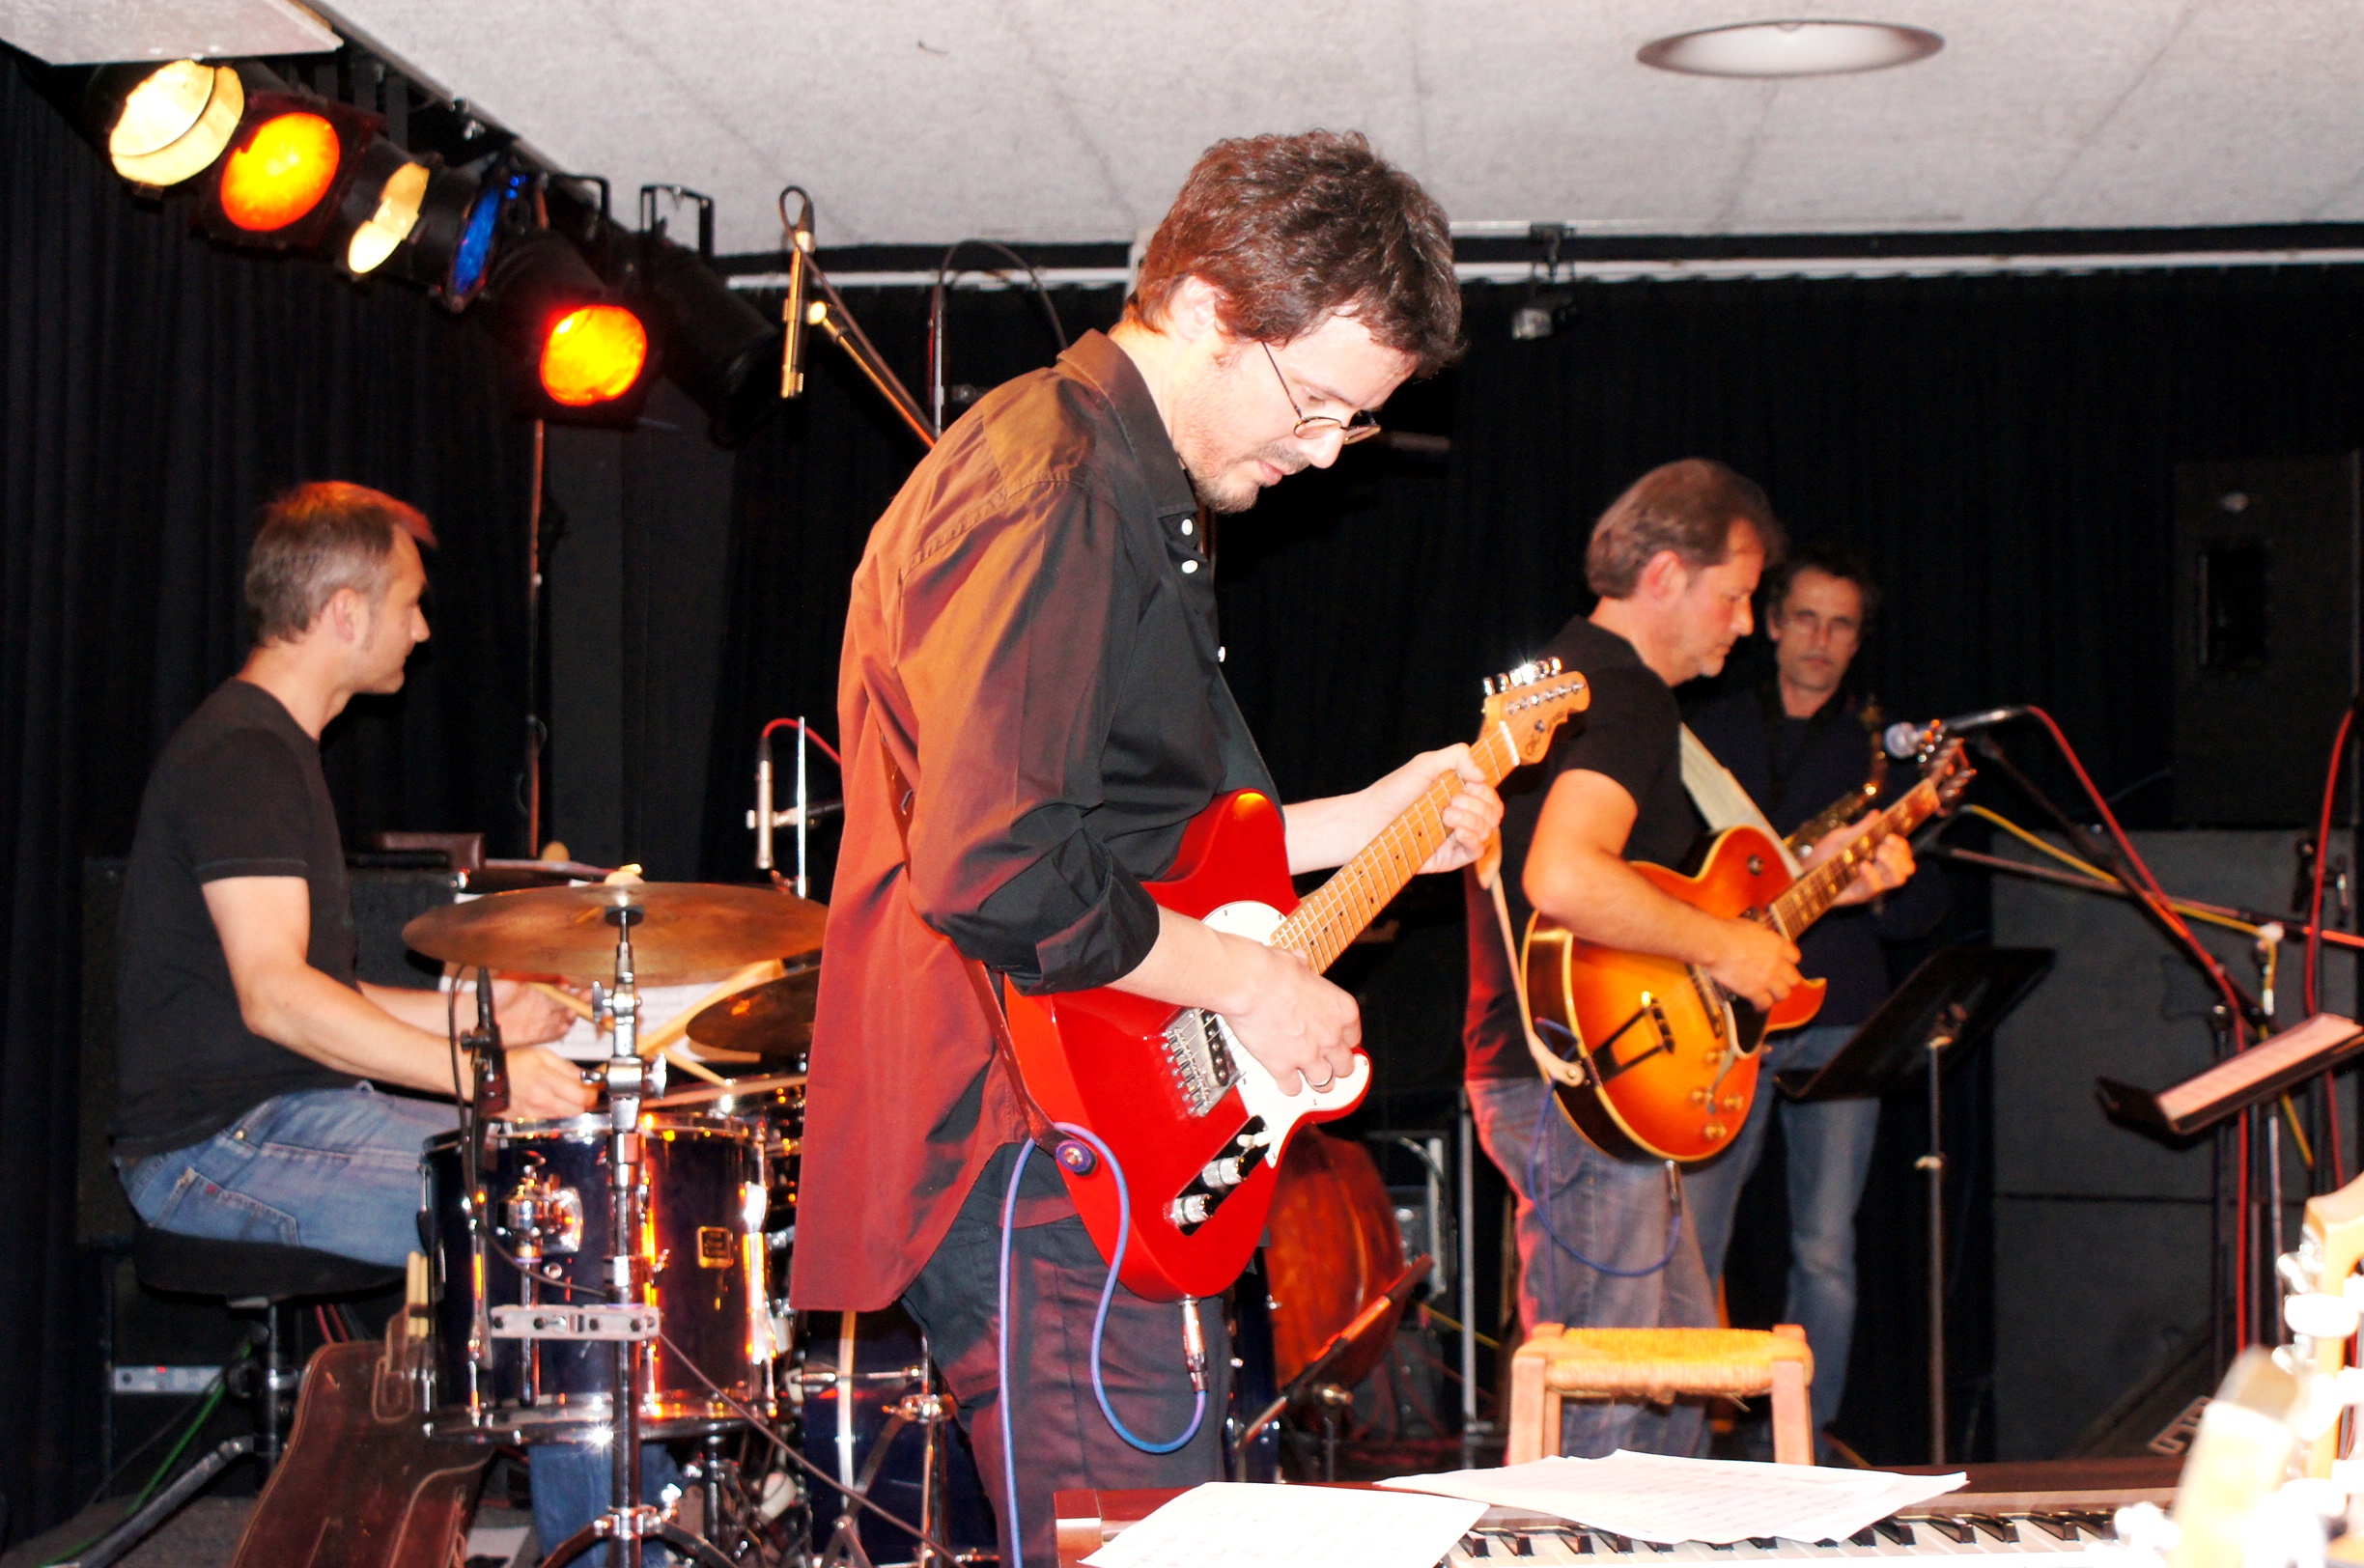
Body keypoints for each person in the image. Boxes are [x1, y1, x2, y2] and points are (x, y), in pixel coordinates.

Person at [794, 130, 1500, 1568]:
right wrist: (1253, 984)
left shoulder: (1119, 486)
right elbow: (998, 864)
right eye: (1315, 403)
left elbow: (1125, 837)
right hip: (1031, 1137)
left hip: (1079, 1127)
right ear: (1199, 307)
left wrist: (1364, 823)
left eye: (1357, 424)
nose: (1324, 452)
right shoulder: (1053, 484)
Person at [108, 481, 653, 1561]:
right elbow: (277, 997)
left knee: (565, 1187)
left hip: (272, 1120)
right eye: (409, 602)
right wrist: (482, 1079)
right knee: (554, 1215)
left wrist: (484, 1019)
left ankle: (620, 1522)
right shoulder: (243, 756)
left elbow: (321, 991)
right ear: (345, 612)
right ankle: (599, 1547)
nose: (424, 627)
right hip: (212, 1151)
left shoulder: (271, 750)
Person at [1460, 461, 1914, 1458]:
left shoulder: (1562, 678)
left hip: (1585, 1076)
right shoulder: (1626, 696)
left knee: (1670, 1388)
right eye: (1736, 596)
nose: (1746, 626)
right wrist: (1726, 947)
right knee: (1612, 1410)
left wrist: (1788, 894)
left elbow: (1628, 895)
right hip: (1583, 1086)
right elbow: (1563, 875)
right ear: (1665, 573)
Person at [1681, 541, 1948, 1444]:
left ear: (1858, 639)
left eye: (1841, 625)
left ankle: (1803, 1441)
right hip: (1720, 1013)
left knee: (1826, 1250)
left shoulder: (1881, 756)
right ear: (1770, 623)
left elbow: (1926, 916)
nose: (1821, 640)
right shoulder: (1708, 732)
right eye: (1805, 618)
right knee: (1696, 1244)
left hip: (1838, 1018)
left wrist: (1891, 887)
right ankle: (1684, 1437)